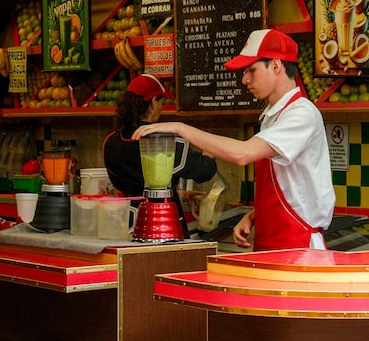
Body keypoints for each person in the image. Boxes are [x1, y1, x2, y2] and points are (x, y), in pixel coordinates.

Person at [134, 29, 334, 250]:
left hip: (299, 245)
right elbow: (295, 187)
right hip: (273, 242)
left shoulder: (301, 113)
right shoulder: (273, 115)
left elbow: (243, 154)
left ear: (276, 66)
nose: (244, 79)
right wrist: (256, 215)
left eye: (251, 70)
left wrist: (181, 128)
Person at [103, 73, 217, 234]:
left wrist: (180, 193)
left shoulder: (111, 141)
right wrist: (210, 149)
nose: (162, 106)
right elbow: (204, 171)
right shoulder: (161, 142)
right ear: (153, 102)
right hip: (163, 222)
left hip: (125, 223)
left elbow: (133, 182)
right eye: (161, 100)